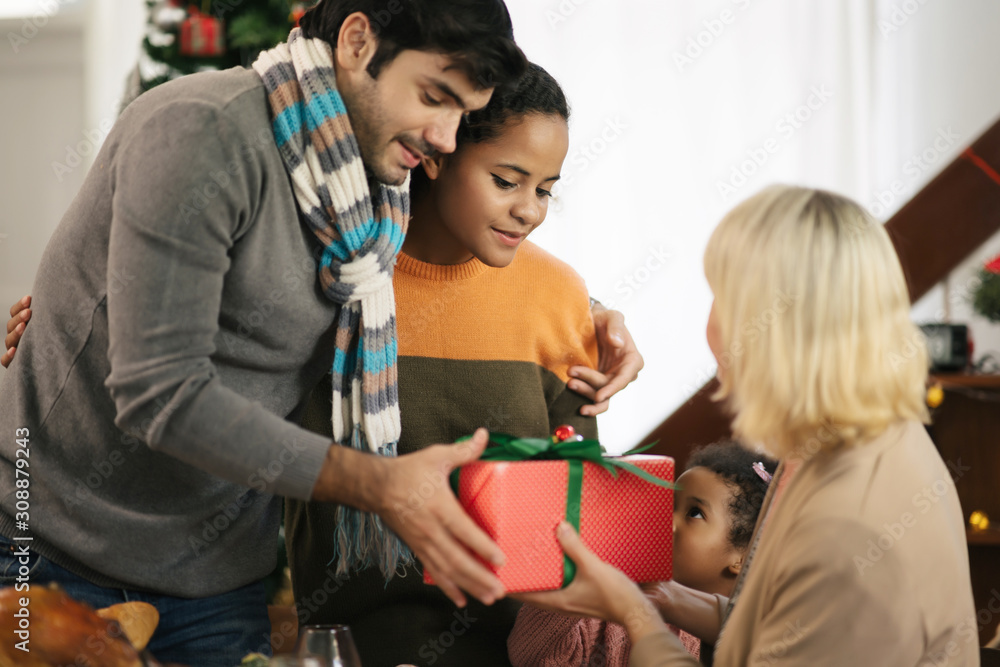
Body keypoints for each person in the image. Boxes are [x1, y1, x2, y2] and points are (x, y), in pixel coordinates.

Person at [0, 8, 644, 664]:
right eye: (434, 96)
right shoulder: (203, 129)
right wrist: (382, 483)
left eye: (464, 111)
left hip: (216, 573)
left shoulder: (376, 183)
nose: (448, 138)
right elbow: (158, 387)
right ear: (358, 42)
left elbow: (448, 266)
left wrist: (589, 313)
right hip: (50, 542)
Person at [515, 185, 978, 666]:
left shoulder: (847, 528)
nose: (711, 324)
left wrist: (632, 613)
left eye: (722, 296)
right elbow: (790, 626)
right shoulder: (859, 440)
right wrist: (662, 597)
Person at [286, 63, 604, 667]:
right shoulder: (342, 279)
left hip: (522, 651)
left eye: (545, 189)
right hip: (352, 646)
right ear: (437, 155)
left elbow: (580, 502)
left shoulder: (559, 294)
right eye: (507, 180)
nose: (529, 211)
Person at [507, 441, 778, 666]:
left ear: (744, 557)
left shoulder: (754, 648)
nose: (664, 518)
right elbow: (532, 656)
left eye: (694, 512)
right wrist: (572, 573)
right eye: (668, 502)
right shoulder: (608, 603)